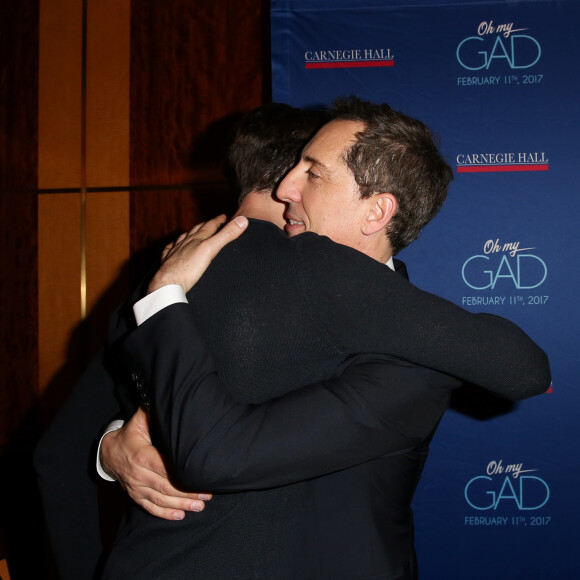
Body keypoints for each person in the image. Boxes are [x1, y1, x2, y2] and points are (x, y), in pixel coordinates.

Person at [99, 98, 550, 578]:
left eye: (312, 173)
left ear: (376, 211)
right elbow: (116, 395)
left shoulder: (417, 358)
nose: (284, 187)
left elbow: (522, 367)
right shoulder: (217, 264)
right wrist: (112, 447)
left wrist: (165, 296)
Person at [32, 103, 328, 580]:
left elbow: (56, 457)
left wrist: (110, 443)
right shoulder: (338, 283)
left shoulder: (158, 282)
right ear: (299, 175)